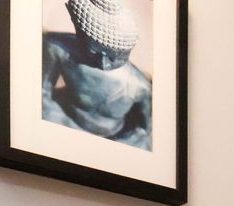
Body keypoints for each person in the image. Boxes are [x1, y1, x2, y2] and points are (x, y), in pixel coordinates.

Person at [42, 0, 153, 151]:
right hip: (64, 120)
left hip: (113, 139)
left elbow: (144, 130)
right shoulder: (59, 50)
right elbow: (42, 95)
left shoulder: (139, 86)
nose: (104, 63)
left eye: (115, 57)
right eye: (94, 52)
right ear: (80, 36)